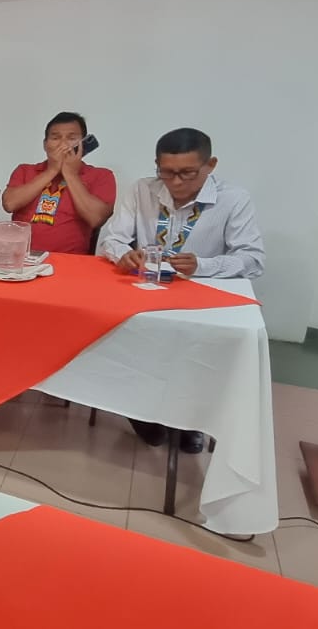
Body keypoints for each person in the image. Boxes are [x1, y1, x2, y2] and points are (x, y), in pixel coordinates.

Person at [99, 127, 265, 453]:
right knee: (118, 338)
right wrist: (123, 254)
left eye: (187, 173)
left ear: (210, 165)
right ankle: (141, 411)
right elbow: (112, 238)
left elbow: (253, 260)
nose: (175, 182)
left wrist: (203, 265)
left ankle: (191, 419)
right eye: (166, 172)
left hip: (198, 298)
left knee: (194, 353)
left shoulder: (234, 200)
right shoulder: (142, 190)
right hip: (144, 289)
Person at [2, 112, 115, 254]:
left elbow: (96, 218)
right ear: (45, 144)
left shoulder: (101, 175)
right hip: (20, 258)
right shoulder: (25, 170)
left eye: (71, 138)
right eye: (55, 138)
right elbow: (9, 204)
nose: (63, 144)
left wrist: (70, 173)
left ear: (82, 144)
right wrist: (52, 170)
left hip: (70, 263)